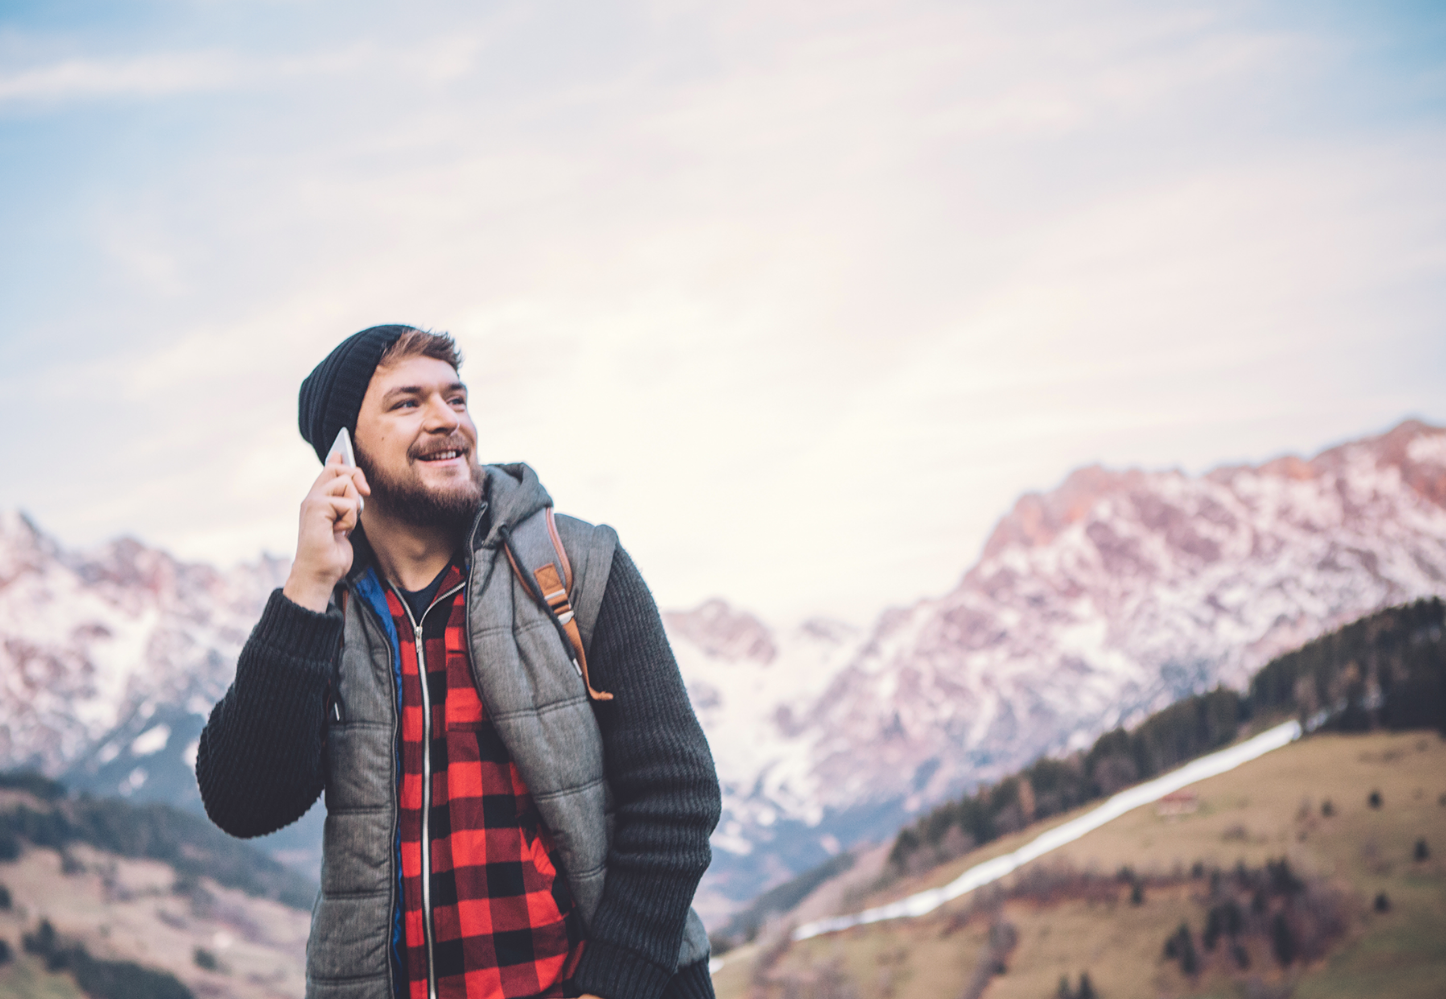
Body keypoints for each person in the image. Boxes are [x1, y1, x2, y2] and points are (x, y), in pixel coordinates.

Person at [197, 325, 720, 999]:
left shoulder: (579, 565)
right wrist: (305, 585)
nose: (448, 418)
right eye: (408, 402)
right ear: (342, 452)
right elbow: (244, 801)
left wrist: (611, 986)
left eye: (456, 397)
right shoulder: (323, 612)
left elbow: (678, 793)